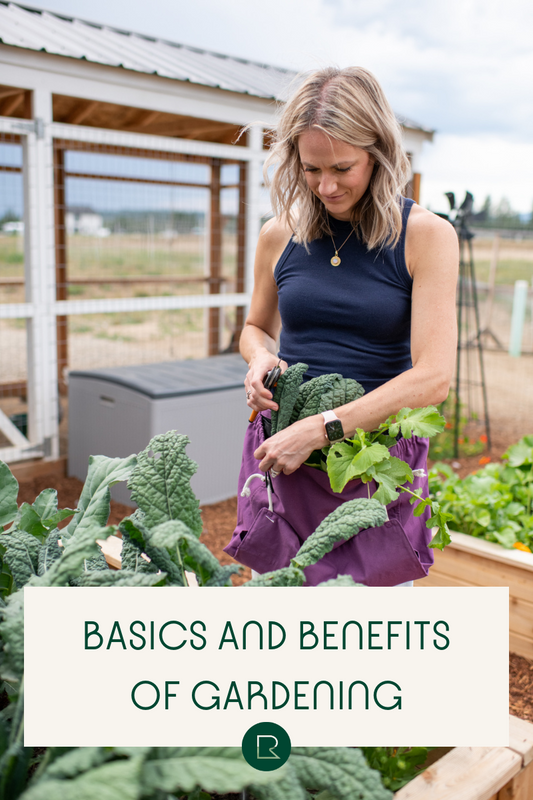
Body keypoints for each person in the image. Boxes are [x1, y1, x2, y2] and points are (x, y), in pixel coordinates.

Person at [224, 66, 458, 586]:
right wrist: (260, 358)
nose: (325, 186)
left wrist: (323, 426)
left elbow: (433, 378)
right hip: (289, 454)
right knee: (286, 612)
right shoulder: (278, 233)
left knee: (372, 622)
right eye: (310, 169)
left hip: (374, 459)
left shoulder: (425, 236)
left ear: (379, 154)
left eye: (343, 168)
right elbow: (255, 328)